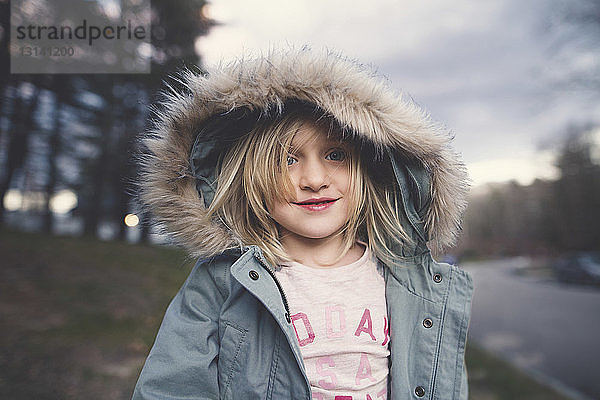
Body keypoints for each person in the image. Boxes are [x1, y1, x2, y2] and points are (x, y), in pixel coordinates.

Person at [132, 47, 473, 400]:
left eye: (335, 155)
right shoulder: (222, 284)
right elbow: (171, 389)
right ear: (249, 178)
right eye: (288, 159)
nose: (313, 179)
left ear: (371, 171)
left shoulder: (410, 284)